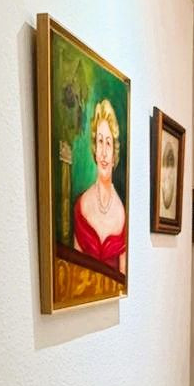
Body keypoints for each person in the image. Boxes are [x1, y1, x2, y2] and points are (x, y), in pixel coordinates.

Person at [73, 99, 127, 274]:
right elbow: (75, 273)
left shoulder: (122, 213)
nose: (104, 152)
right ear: (95, 149)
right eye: (100, 141)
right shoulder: (82, 205)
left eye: (108, 143)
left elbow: (123, 275)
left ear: (114, 153)